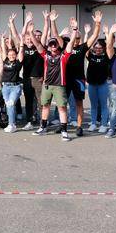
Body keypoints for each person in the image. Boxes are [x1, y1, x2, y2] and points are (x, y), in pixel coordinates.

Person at [29, 10, 76, 141]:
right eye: (51, 44)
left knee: (62, 108)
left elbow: (71, 44)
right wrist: (30, 32)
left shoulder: (63, 56)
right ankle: (43, 127)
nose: (53, 46)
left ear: (58, 46)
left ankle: (64, 131)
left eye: (55, 44)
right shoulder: (45, 55)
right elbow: (37, 44)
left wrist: (74, 30)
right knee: (45, 106)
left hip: (59, 85)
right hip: (47, 85)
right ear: (49, 46)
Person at [63, 11, 102, 137]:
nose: (76, 40)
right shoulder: (65, 47)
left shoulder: (82, 48)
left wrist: (97, 23)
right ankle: (63, 126)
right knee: (62, 104)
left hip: (79, 79)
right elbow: (54, 37)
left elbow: (95, 35)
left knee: (79, 103)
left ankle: (79, 127)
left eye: (78, 38)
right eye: (75, 37)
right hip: (66, 79)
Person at [0, 32, 25, 133]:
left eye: (13, 54)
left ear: (16, 55)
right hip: (5, 87)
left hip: (15, 87)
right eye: (10, 54)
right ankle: (12, 123)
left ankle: (11, 125)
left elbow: (21, 51)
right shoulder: (5, 60)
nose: (11, 56)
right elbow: (3, 50)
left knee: (10, 104)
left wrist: (21, 41)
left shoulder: (18, 63)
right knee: (9, 105)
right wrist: (2, 40)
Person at [86, 39, 110, 133]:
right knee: (93, 105)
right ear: (93, 48)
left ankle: (104, 125)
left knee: (104, 105)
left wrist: (108, 34)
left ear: (103, 48)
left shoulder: (106, 57)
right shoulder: (91, 56)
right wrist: (88, 35)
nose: (98, 49)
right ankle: (93, 123)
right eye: (96, 47)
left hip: (102, 84)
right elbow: (86, 46)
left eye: (100, 48)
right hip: (92, 85)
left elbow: (109, 47)